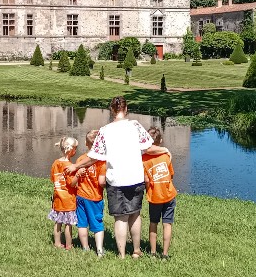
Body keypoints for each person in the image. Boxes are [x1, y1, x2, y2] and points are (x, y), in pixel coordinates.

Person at [65, 96, 169, 259]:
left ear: (112, 110)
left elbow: (94, 157)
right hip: (135, 178)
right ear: (126, 109)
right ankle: (136, 250)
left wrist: (76, 166)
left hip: (116, 180)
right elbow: (148, 147)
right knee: (135, 215)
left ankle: (121, 254)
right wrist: (165, 150)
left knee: (120, 218)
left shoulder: (105, 130)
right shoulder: (135, 126)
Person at [142, 126, 177, 259]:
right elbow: (171, 175)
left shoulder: (144, 159)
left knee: (153, 223)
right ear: (160, 141)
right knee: (167, 224)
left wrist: (148, 189)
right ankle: (165, 253)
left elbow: (146, 179)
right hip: (169, 195)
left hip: (154, 196)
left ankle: (152, 252)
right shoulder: (166, 156)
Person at [74, 130, 107, 256]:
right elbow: (101, 182)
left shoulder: (81, 159)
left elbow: (76, 178)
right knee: (97, 224)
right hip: (95, 198)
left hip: (81, 196)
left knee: (82, 223)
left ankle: (85, 248)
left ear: (86, 144)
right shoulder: (102, 162)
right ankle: (99, 250)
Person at [49, 136, 79, 250]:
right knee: (68, 224)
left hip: (57, 198)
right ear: (71, 150)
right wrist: (78, 175)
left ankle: (57, 243)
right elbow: (71, 183)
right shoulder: (70, 166)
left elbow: (53, 178)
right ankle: (69, 244)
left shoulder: (56, 163)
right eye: (75, 148)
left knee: (58, 222)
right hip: (68, 199)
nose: (76, 151)